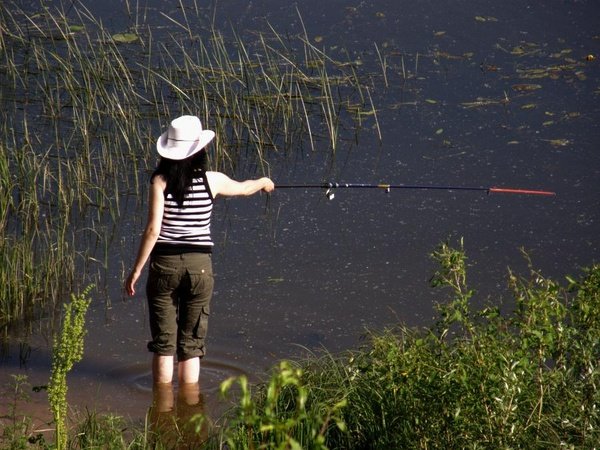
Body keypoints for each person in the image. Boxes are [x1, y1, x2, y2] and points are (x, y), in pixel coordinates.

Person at [125, 115, 274, 385]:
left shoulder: (159, 181)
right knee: (191, 345)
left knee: (163, 343)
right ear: (200, 151)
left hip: (164, 267)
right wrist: (264, 181)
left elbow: (152, 231)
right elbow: (243, 189)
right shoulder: (212, 180)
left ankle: (163, 407)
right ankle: (189, 407)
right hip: (200, 267)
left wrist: (136, 270)